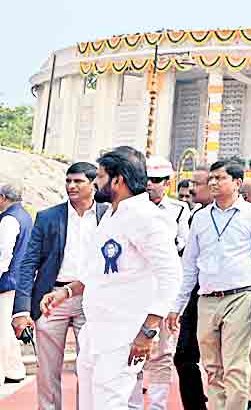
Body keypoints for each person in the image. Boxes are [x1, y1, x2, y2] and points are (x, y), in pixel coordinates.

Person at [41, 146, 181, 410]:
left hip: (125, 332)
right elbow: (98, 274)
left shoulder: (147, 218)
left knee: (111, 403)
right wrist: (65, 292)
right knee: (90, 404)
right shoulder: (112, 215)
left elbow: (171, 274)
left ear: (119, 180)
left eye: (101, 177)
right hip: (97, 329)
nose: (95, 183)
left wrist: (148, 331)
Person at [167, 161, 251, 410]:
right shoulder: (201, 217)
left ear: (237, 183)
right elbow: (189, 266)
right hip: (206, 299)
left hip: (241, 297)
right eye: (212, 179)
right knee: (212, 368)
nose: (213, 183)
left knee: (235, 367)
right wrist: (178, 305)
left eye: (220, 178)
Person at [12, 162, 109, 410]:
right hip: (51, 298)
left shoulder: (108, 215)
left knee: (89, 368)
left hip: (93, 299)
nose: (71, 186)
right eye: (68, 181)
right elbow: (28, 264)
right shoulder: (48, 217)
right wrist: (21, 310)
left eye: (78, 181)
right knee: (47, 371)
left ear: (94, 184)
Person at [133, 157, 190, 410]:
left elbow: (183, 246)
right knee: (132, 348)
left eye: (156, 181)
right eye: (146, 180)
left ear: (167, 183)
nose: (150, 185)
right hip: (135, 286)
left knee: (163, 352)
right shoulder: (131, 208)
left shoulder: (178, 210)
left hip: (164, 288)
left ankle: (157, 405)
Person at [175, 167, 212, 410]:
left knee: (224, 364)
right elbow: (189, 263)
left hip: (230, 297)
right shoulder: (196, 217)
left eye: (197, 184)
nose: (191, 190)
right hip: (194, 294)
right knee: (184, 357)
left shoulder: (248, 216)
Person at [0, 183, 33, 384]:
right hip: (19, 281)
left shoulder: (8, 220)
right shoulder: (25, 216)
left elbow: (3, 255)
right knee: (5, 328)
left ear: (2, 197)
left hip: (7, 281)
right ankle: (14, 370)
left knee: (1, 331)